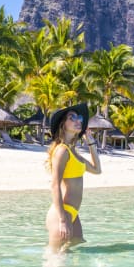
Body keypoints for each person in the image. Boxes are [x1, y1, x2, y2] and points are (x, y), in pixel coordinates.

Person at [46, 103, 101, 252]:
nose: (79, 121)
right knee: (55, 260)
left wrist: (90, 142)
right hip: (62, 213)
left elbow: (97, 170)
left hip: (73, 213)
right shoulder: (62, 151)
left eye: (80, 117)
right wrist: (62, 219)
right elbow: (54, 185)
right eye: (72, 117)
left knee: (76, 243)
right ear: (63, 125)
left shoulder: (73, 152)